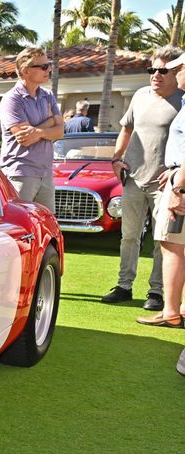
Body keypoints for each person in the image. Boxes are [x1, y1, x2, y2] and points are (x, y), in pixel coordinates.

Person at [104, 45, 185, 310]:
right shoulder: (139, 96)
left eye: (163, 71)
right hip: (134, 180)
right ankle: (124, 286)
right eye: (152, 70)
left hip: (165, 186)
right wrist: (117, 158)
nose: (156, 76)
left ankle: (156, 292)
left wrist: (176, 174)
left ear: (175, 72)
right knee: (129, 236)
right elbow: (126, 129)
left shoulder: (182, 101)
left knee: (162, 240)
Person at [136, 51, 185, 329]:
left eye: (177, 69)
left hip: (181, 184)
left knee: (172, 247)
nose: (175, 73)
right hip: (178, 175)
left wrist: (179, 186)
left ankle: (170, 312)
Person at [0, 46, 63, 210]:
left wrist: (38, 131)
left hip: (46, 174)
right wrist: (49, 122)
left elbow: (60, 131)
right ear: (26, 71)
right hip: (20, 174)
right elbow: (25, 138)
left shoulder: (47, 96)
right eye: (43, 66)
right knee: (19, 228)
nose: (48, 69)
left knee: (47, 229)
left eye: (49, 65)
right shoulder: (12, 100)